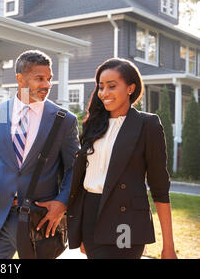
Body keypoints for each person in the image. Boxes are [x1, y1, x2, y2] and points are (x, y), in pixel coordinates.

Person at [0, 50, 80, 259]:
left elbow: (74, 169)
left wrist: (63, 202)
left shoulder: (64, 120)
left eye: (49, 79)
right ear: (20, 79)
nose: (47, 84)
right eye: (39, 78)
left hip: (40, 221)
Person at [67, 58, 177, 259]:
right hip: (90, 214)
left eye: (112, 86)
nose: (104, 93)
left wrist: (168, 246)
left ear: (130, 88)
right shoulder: (94, 124)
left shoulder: (147, 125)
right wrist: (81, 228)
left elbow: (160, 188)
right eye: (101, 87)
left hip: (124, 220)